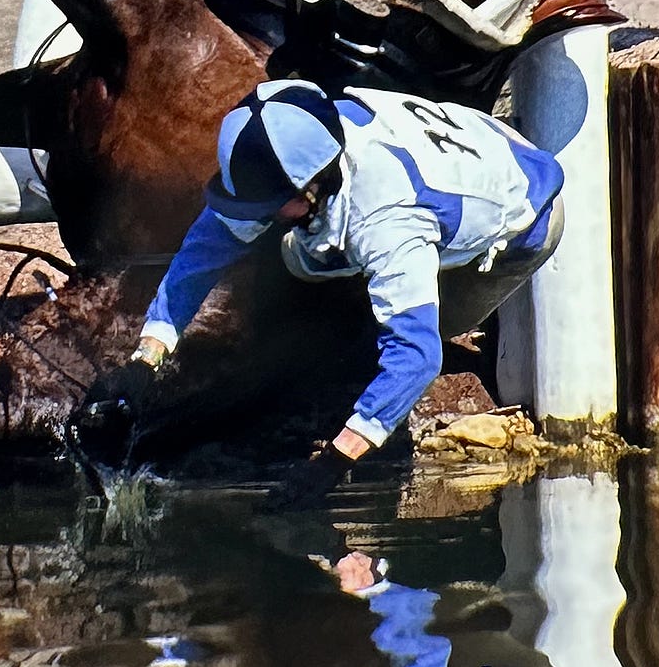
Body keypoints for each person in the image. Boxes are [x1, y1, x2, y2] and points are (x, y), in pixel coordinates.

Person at [74, 74, 564, 502]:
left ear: (312, 187)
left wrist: (334, 460)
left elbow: (418, 356)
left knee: (411, 330)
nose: (259, 212)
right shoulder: (305, 131)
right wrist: (146, 359)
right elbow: (205, 250)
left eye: (271, 202)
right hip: (471, 141)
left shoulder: (386, 221)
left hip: (522, 218)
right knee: (300, 259)